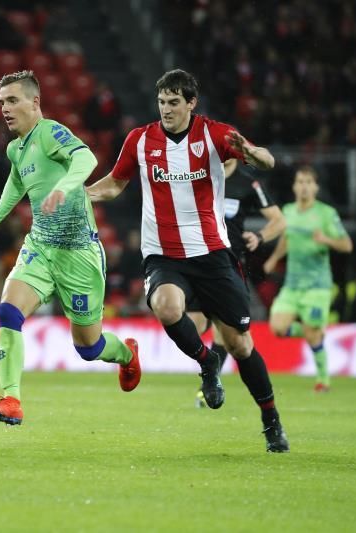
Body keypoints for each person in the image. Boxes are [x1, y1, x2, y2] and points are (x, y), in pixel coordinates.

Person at [86, 69, 289, 452]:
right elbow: (114, 183)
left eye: (174, 102)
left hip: (212, 255)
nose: (166, 109)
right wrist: (79, 195)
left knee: (241, 345)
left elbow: (267, 161)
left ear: (191, 103)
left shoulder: (214, 134)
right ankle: (208, 362)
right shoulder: (140, 140)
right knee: (165, 306)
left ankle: (271, 420)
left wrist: (251, 154)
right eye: (162, 102)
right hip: (163, 256)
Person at [0, 70, 141, 426]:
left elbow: (87, 160)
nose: (5, 108)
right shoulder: (15, 148)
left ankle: (127, 354)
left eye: (13, 100)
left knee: (89, 347)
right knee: (8, 312)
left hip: (79, 254)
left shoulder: (50, 132)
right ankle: (10, 400)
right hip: (40, 247)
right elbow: (15, 183)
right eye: (2, 102)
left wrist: (64, 188)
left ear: (35, 102)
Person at [190, 161, 286, 407]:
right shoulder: (196, 174)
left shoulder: (248, 183)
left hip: (230, 265)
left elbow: (278, 220)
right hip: (196, 261)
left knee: (229, 330)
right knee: (196, 325)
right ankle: (210, 373)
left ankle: (209, 382)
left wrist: (260, 236)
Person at [263, 166, 353, 392]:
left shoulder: (326, 213)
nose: (303, 186)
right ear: (294, 186)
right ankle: (313, 331)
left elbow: (347, 245)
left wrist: (326, 240)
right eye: (300, 182)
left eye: (308, 182)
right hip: (292, 285)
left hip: (317, 286)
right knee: (277, 328)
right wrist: (274, 258)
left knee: (312, 332)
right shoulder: (288, 211)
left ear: (316, 187)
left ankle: (323, 380)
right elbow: (286, 239)